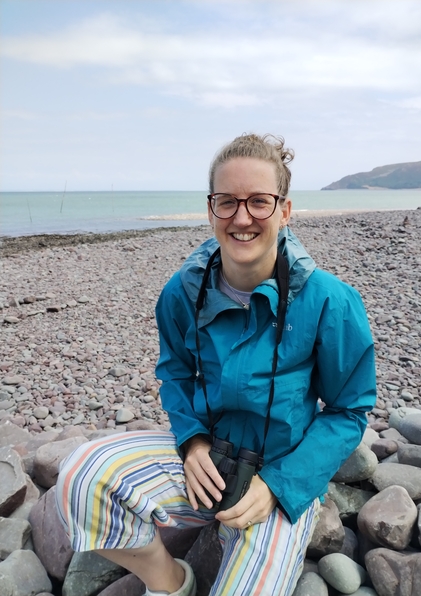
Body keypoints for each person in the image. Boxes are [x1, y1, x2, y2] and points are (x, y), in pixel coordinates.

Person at [56, 133, 376, 596]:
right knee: (80, 478)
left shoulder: (331, 302)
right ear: (210, 210)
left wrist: (280, 486)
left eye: (259, 202)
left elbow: (349, 409)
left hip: (280, 478)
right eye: (226, 202)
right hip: (204, 462)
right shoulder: (182, 293)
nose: (242, 218)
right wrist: (192, 442)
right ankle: (171, 583)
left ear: (284, 211)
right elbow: (176, 373)